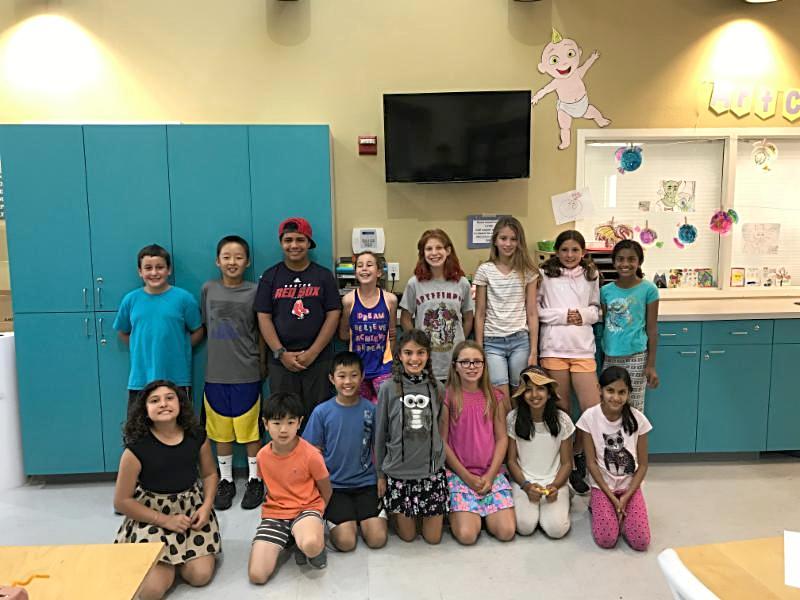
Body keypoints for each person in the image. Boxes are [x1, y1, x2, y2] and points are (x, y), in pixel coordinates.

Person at [114, 380, 220, 600]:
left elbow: (209, 474)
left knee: (200, 576)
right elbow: (122, 501)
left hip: (190, 511)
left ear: (180, 403)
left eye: (170, 398)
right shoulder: (136, 449)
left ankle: (175, 558)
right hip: (152, 516)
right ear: (145, 410)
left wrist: (206, 506)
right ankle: (164, 562)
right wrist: (165, 520)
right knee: (151, 591)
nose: (163, 404)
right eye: (155, 400)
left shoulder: (196, 436)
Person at [255, 217, 341, 422]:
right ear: (281, 243)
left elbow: (334, 314)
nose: (294, 245)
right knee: (283, 418)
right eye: (288, 240)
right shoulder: (270, 276)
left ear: (309, 243)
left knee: (318, 418)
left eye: (300, 240)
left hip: (319, 361)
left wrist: (313, 352)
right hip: (281, 362)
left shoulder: (323, 276)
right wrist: (280, 353)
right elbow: (263, 317)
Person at [201, 235, 264, 511]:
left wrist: (262, 364)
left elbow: (261, 330)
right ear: (217, 261)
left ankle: (255, 479)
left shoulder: (255, 291)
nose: (232, 262)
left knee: (251, 432)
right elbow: (204, 324)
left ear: (247, 262)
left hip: (247, 373)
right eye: (226, 257)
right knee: (221, 433)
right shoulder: (208, 289)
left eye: (238, 257)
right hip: (215, 374)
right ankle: (225, 480)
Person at [303, 351, 388, 551]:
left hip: (366, 483)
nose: (348, 381)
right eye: (342, 376)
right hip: (335, 486)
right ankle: (343, 518)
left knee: (377, 539)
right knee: (346, 542)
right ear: (332, 379)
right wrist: (318, 486)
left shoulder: (371, 410)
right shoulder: (321, 412)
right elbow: (311, 452)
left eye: (353, 375)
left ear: (362, 376)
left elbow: (380, 446)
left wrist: (381, 476)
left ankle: (364, 517)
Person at [538, 230, 601, 495]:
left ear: (583, 252)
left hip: (583, 350)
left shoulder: (591, 274)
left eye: (575, 250)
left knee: (591, 409)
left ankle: (577, 453)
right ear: (556, 251)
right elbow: (537, 311)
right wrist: (565, 315)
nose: (570, 255)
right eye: (564, 250)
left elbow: (596, 310)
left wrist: (583, 315)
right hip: (554, 348)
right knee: (562, 410)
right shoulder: (545, 274)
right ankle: (566, 465)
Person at [248, 392, 333, 585]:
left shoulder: (311, 454)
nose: (283, 429)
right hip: (275, 514)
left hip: (306, 509)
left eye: (290, 422)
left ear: (299, 422)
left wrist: (318, 514)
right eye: (277, 423)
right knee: (257, 575)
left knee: (310, 544)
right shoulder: (262, 456)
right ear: (265, 423)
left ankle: (310, 541)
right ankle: (292, 537)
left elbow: (326, 489)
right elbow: (270, 488)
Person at [375, 329, 448, 544]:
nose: (414, 359)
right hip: (399, 473)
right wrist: (380, 475)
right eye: (408, 353)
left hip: (430, 472)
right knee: (408, 537)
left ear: (428, 355)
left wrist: (439, 456)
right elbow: (380, 434)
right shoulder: (388, 388)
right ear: (399, 355)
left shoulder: (438, 388)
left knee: (433, 539)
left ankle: (416, 513)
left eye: (420, 353)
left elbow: (440, 427)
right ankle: (397, 512)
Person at [441, 341, 515, 545]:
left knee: (507, 532)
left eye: (476, 362)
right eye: (465, 362)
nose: (471, 366)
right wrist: (466, 477)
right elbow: (442, 442)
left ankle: (483, 513)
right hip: (459, 475)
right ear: (455, 366)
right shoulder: (448, 396)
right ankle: (470, 514)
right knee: (467, 536)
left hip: (491, 474)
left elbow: (502, 439)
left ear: (484, 365)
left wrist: (490, 476)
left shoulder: (495, 396)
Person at [114, 244, 203, 413]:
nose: (154, 273)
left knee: (181, 426)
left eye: (160, 267)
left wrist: (181, 346)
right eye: (148, 268)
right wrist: (140, 347)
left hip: (176, 379)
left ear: (169, 270)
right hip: (141, 380)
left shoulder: (184, 299)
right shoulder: (131, 300)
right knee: (138, 427)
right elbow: (123, 331)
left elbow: (198, 330)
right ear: (140, 272)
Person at [577, 366, 652, 551]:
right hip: (602, 486)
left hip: (629, 486)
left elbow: (643, 465)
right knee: (606, 539)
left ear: (628, 393)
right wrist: (611, 497)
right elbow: (591, 463)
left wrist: (626, 496)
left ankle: (623, 513)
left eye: (622, 392)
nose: (616, 397)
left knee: (641, 541)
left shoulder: (638, 420)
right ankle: (597, 505)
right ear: (600, 389)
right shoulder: (589, 417)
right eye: (610, 390)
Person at [473, 217, 539, 407]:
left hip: (520, 340)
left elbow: (532, 312)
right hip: (492, 342)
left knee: (520, 393)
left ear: (520, 242)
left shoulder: (527, 271)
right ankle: (503, 427)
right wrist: (479, 348)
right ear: (495, 240)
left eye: (513, 239)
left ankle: (518, 427)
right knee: (499, 395)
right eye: (503, 238)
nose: (508, 244)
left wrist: (533, 350)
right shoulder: (485, 270)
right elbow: (480, 313)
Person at [506, 366, 574, 539]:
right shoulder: (513, 418)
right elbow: (511, 461)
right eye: (528, 390)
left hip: (554, 482)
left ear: (549, 393)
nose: (534, 395)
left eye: (541, 388)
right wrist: (526, 486)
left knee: (556, 529)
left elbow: (567, 463)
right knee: (524, 526)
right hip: (523, 481)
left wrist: (556, 485)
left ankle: (565, 496)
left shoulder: (562, 420)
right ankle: (535, 508)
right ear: (522, 394)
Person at [399, 229, 474, 383]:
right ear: (423, 253)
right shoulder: (415, 283)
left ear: (448, 250)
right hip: (426, 359)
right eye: (429, 249)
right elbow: (405, 318)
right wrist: (417, 342)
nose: (434, 253)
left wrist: (459, 341)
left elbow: (468, 318)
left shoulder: (462, 283)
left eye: (439, 248)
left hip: (455, 358)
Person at [600, 240, 660, 411]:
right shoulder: (605, 291)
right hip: (610, 356)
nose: (625, 264)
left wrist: (651, 365)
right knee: (610, 406)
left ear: (639, 262)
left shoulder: (649, 290)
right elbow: (606, 324)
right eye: (620, 259)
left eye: (631, 259)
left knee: (634, 407)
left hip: (636, 357)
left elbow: (652, 330)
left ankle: (634, 431)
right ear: (614, 262)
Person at [338, 251, 397, 403]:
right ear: (355, 273)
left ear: (379, 272)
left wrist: (391, 363)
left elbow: (392, 334)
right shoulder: (348, 300)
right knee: (361, 410)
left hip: (383, 367)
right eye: (360, 265)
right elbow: (343, 334)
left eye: (369, 265)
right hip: (357, 368)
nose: (364, 268)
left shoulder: (390, 300)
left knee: (384, 407)